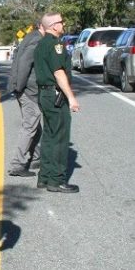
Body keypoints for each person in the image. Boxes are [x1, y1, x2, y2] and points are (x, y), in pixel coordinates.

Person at [33, 12, 80, 193]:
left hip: (45, 95)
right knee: (60, 137)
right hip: (55, 95)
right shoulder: (55, 44)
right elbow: (59, 73)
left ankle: (44, 177)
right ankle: (56, 180)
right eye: (61, 22)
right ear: (53, 26)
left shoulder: (41, 44)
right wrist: (71, 97)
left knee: (49, 136)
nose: (63, 24)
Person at [7, 20, 45, 177]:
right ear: (43, 26)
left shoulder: (30, 36)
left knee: (35, 125)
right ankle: (17, 164)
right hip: (28, 89)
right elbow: (25, 62)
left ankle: (37, 157)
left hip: (24, 88)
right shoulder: (37, 39)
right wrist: (20, 87)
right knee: (30, 125)